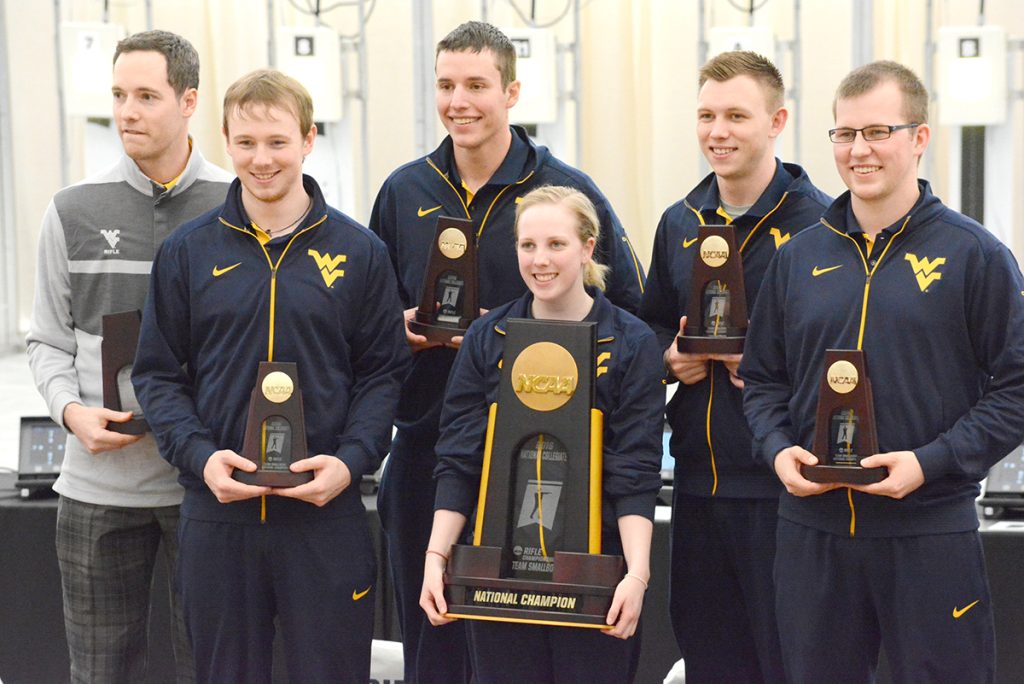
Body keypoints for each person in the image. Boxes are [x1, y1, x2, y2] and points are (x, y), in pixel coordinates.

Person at [369, 20, 645, 684]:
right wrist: (402, 330)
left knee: (540, 650)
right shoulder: (404, 192)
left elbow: (633, 317)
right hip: (434, 447)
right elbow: (368, 327)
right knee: (432, 640)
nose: (458, 101)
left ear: (512, 91)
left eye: (476, 85)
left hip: (557, 461)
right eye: (445, 86)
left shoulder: (564, 191)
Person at [741, 60, 1024, 683]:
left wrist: (932, 461)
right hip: (811, 533)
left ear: (919, 138)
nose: (858, 150)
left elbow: (1017, 389)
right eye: (844, 134)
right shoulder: (798, 258)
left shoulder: (974, 255)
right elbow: (763, 381)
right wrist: (777, 450)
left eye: (878, 132)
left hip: (929, 532)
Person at [131, 69, 410, 683]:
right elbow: (157, 375)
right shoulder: (187, 252)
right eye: (247, 142)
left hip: (325, 514)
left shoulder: (361, 253)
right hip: (218, 516)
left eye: (278, 142)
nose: (262, 159)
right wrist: (201, 458)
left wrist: (352, 460)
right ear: (226, 142)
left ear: (309, 140)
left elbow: (384, 374)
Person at [25, 30, 230, 683]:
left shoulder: (236, 206)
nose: (128, 112)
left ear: (188, 100)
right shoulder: (71, 211)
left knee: (212, 664)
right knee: (101, 670)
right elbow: (48, 339)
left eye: (146, 96)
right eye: (118, 95)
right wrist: (69, 414)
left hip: (206, 487)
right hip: (96, 489)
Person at [638, 51, 831, 683]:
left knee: (790, 662)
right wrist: (669, 359)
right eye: (706, 116)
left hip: (789, 489)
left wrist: (775, 371)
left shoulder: (823, 225)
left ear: (776, 121)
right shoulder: (679, 222)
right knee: (711, 662)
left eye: (736, 116)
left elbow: (846, 351)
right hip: (695, 486)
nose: (717, 132)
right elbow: (651, 330)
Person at [420, 185, 664, 684]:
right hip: (495, 577)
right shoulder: (488, 338)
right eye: (527, 246)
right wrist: (435, 557)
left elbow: (635, 469)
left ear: (588, 248)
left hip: (595, 575)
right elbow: (460, 457)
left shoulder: (633, 341)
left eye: (556, 244)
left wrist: (636, 576)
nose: (540, 260)